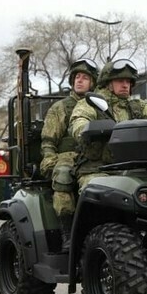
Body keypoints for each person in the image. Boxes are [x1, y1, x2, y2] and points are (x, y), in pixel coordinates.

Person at [70, 57, 147, 193]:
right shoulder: (91, 103)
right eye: (120, 81)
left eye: (128, 81)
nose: (125, 85)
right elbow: (79, 122)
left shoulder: (138, 106)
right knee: (100, 193)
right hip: (97, 169)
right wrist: (89, 130)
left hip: (133, 169)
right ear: (108, 84)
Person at [40, 58, 99, 247]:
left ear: (93, 83)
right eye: (77, 77)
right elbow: (48, 140)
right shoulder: (60, 108)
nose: (80, 81)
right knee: (63, 177)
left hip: (96, 157)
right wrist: (50, 160)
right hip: (68, 158)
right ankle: (67, 231)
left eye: (85, 78)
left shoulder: (101, 105)